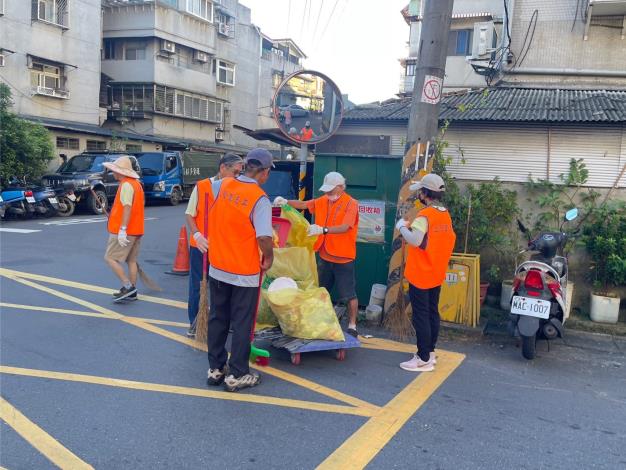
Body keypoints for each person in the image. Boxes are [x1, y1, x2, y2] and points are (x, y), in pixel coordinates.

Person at [206, 148, 274, 392]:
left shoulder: (222, 186)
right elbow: (265, 237)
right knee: (243, 323)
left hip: (218, 266)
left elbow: (210, 186)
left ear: (245, 167)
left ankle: (215, 369)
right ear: (264, 172)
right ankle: (237, 374)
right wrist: (269, 256)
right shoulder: (260, 199)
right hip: (244, 272)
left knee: (218, 318)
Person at [274, 172, 360, 337]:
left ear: (341, 187)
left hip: (343, 257)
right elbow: (305, 204)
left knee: (349, 295)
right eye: (326, 191)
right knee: (320, 290)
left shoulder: (351, 203)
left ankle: (352, 325)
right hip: (325, 255)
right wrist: (286, 203)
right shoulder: (324, 201)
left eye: (331, 190)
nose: (327, 194)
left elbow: (346, 227)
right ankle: (319, 320)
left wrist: (323, 230)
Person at [395, 173, 456, 372]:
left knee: (420, 315)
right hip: (436, 272)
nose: (419, 194)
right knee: (431, 313)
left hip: (421, 273)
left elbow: (415, 240)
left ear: (425, 193)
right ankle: (430, 353)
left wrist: (402, 228)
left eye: (420, 191)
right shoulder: (444, 214)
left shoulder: (425, 216)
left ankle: (422, 358)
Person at [184, 153, 244, 337]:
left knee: (225, 286)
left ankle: (227, 322)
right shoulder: (202, 186)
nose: (237, 176)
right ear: (223, 168)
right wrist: (197, 234)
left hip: (225, 247)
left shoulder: (238, 189)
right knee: (198, 286)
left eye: (240, 173)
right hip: (201, 246)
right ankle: (195, 322)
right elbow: (189, 214)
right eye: (235, 172)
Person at [103, 156, 145, 302]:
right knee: (131, 261)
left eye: (114, 170)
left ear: (120, 172)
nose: (112, 173)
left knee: (110, 258)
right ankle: (132, 291)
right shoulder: (136, 184)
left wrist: (122, 229)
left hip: (124, 230)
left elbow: (127, 208)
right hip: (137, 229)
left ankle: (128, 286)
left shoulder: (126, 185)